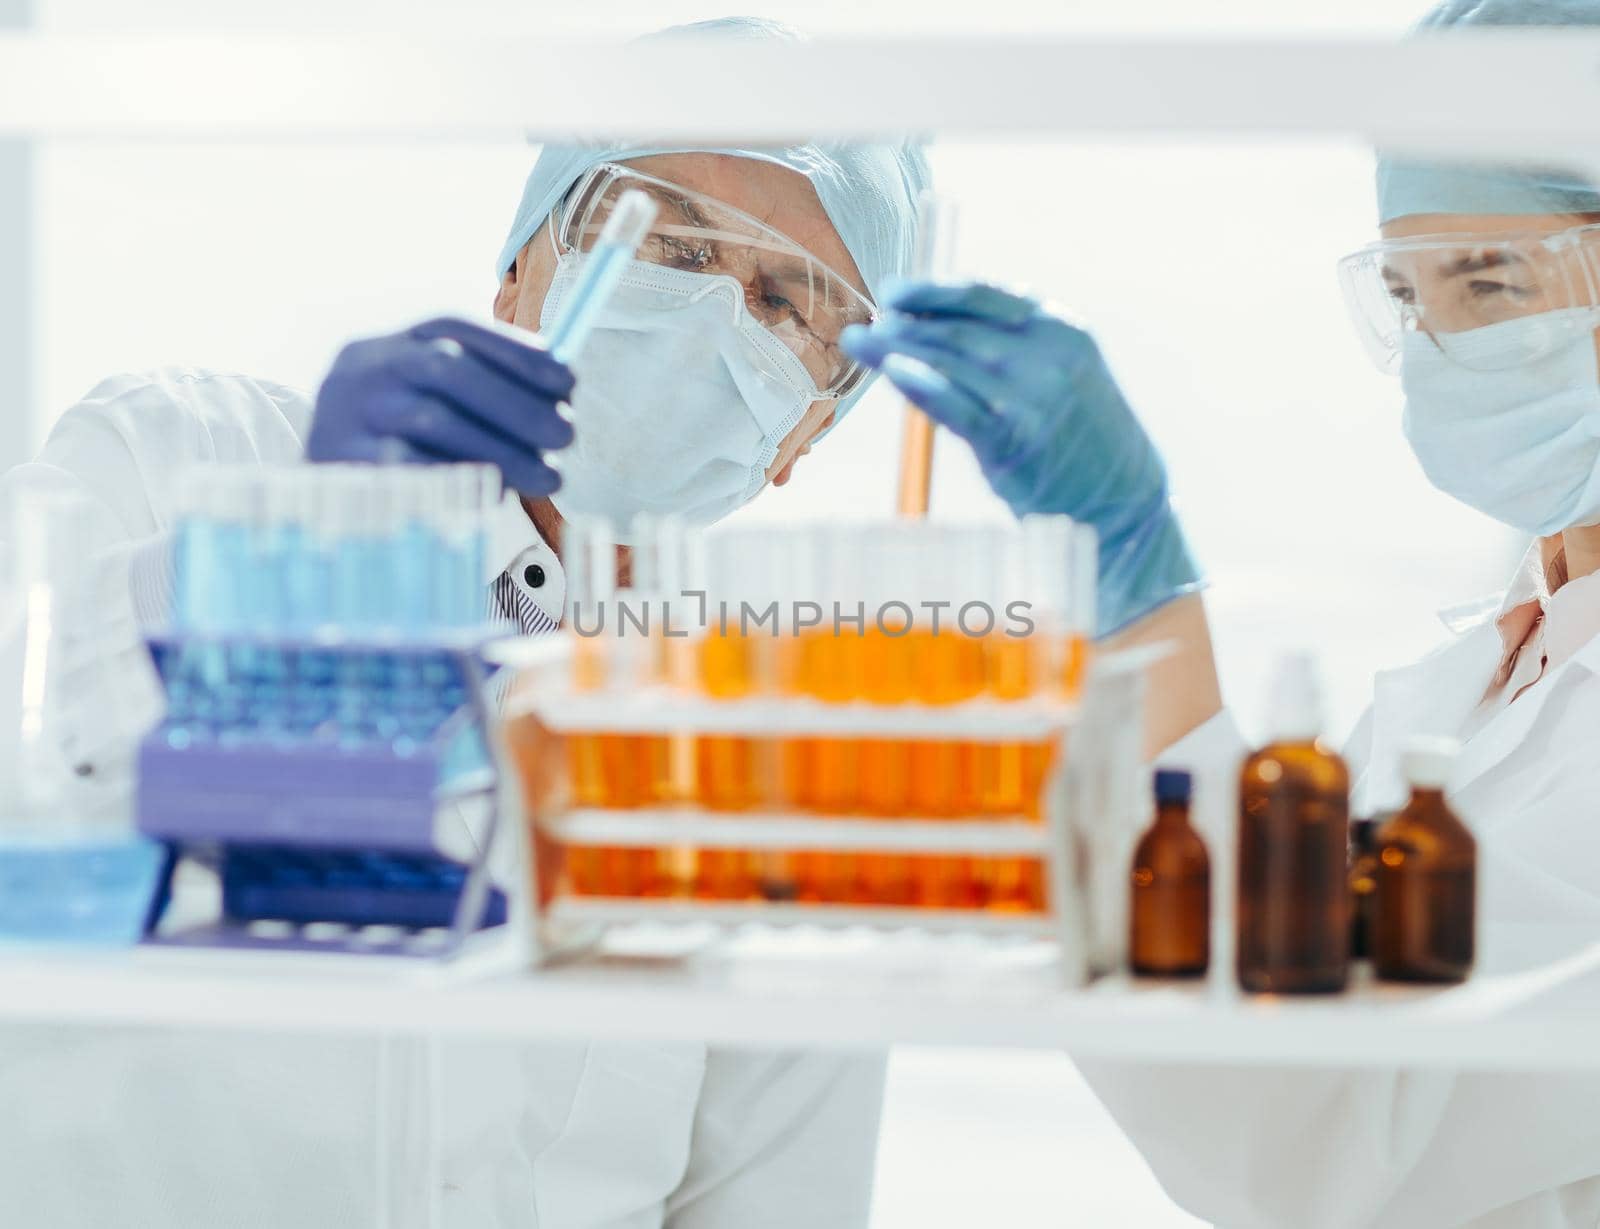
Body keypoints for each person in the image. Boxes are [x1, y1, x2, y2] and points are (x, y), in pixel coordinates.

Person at [0, 18, 940, 1228]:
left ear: (809, 432)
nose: (716, 311)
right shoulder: (179, 454)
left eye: (784, 302)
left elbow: (776, 1204)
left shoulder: (784, 774)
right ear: (519, 267)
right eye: (664, 233)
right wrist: (278, 555)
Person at [845, 1, 1600, 1223]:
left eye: (1490, 278)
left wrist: (1145, 595)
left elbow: (1323, 1118)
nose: (1442, 346)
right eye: (1410, 295)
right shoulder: (1480, 677)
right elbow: (1252, 1017)